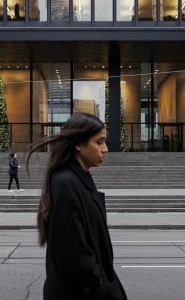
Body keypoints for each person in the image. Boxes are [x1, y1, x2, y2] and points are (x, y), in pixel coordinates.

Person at [26, 113, 127, 300]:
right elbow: (73, 254)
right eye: (99, 142)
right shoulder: (66, 181)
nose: (105, 149)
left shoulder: (79, 177)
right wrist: (103, 288)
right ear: (78, 145)